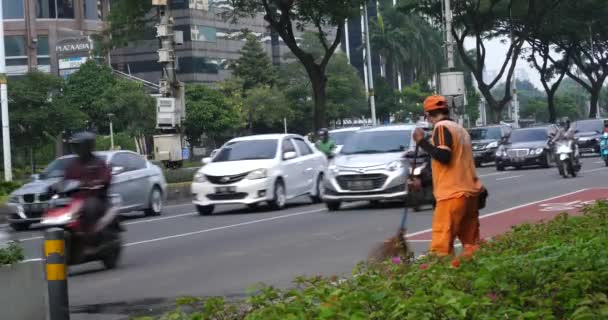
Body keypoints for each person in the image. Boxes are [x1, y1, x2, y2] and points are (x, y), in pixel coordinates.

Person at [412, 95, 485, 257]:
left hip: (452, 195)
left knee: (441, 246)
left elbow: (444, 157)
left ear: (428, 114)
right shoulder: (460, 129)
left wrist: (421, 142)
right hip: (470, 193)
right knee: (471, 244)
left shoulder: (441, 128)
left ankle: (442, 278)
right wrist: (423, 180)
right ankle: (470, 273)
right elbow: (455, 165)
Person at [63, 132, 112, 241]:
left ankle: (91, 236)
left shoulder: (99, 162)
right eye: (75, 146)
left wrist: (98, 183)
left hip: (95, 198)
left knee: (89, 207)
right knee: (58, 210)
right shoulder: (72, 165)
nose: (77, 149)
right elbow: (65, 180)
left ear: (87, 146)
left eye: (79, 146)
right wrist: (57, 187)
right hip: (76, 200)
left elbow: (106, 177)